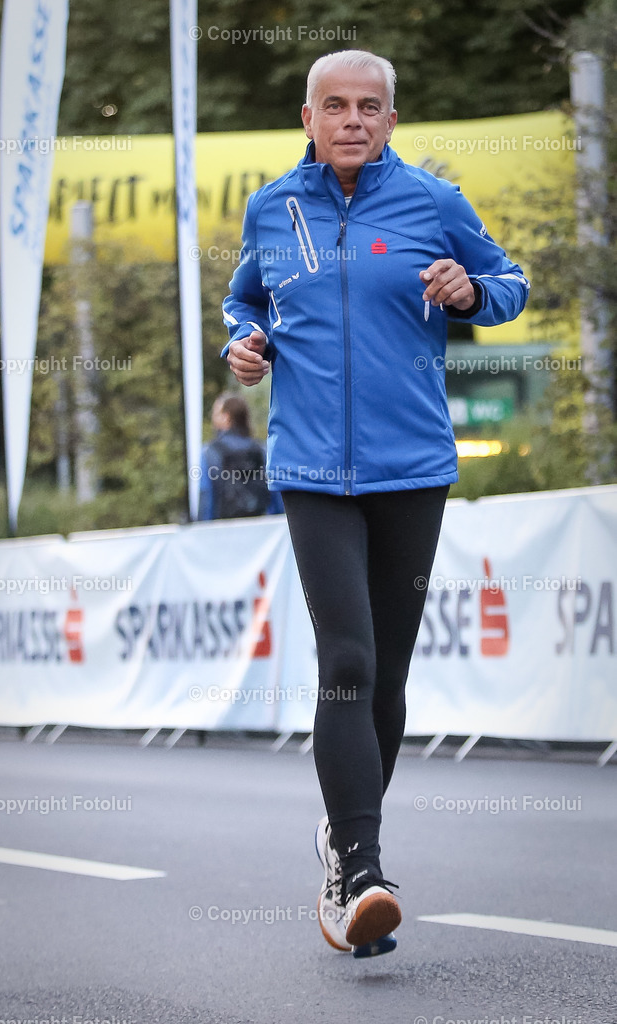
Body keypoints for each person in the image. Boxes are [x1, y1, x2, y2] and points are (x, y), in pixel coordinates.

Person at [221, 49, 529, 958]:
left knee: (386, 678)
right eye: (334, 105)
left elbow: (509, 283)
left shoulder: (433, 202)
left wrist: (472, 291)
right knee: (347, 661)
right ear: (307, 118)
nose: (351, 119)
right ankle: (360, 873)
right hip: (310, 472)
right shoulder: (271, 209)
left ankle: (339, 836)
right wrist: (245, 341)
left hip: (412, 469)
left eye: (368, 106)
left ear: (391, 119)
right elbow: (245, 301)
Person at [198, 393, 283, 520]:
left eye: (215, 414)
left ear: (226, 417)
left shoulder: (209, 453)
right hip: (263, 525)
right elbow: (276, 495)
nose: (213, 419)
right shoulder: (263, 451)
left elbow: (206, 498)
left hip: (223, 527)